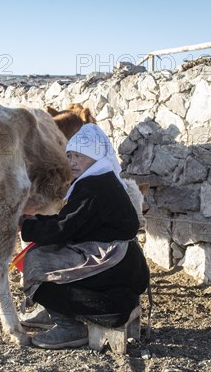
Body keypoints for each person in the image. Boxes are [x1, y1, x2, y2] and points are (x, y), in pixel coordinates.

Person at [18, 123, 149, 350]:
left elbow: (63, 228)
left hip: (114, 269)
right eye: (70, 156)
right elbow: (71, 221)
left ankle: (69, 326)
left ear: (96, 156)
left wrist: (26, 227)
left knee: (36, 261)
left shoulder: (93, 187)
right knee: (42, 253)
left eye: (79, 155)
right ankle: (53, 312)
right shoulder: (104, 181)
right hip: (126, 267)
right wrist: (34, 222)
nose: (72, 162)